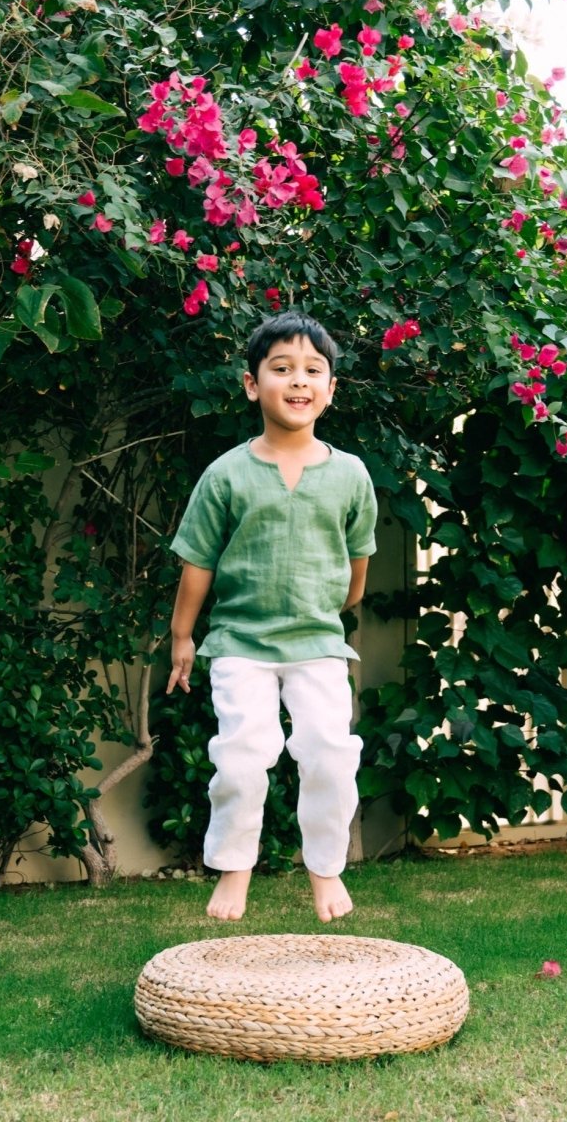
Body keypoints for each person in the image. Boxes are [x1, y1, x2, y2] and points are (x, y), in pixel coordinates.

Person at [165, 311, 378, 922]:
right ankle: (235, 870)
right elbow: (198, 562)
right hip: (240, 643)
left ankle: (325, 871)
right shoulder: (226, 474)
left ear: (331, 389)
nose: (298, 380)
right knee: (240, 756)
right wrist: (183, 636)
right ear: (252, 384)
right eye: (281, 368)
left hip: (318, 643)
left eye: (313, 370)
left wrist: (327, 609)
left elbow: (356, 568)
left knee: (330, 754)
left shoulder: (350, 475)